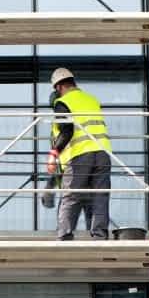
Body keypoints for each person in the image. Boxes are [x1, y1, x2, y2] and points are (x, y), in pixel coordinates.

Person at [46, 68, 112, 240]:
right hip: (102, 152)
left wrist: (53, 154)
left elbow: (66, 130)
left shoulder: (63, 102)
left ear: (59, 87)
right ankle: (100, 234)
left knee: (71, 196)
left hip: (80, 154)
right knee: (100, 195)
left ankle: (65, 235)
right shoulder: (92, 100)